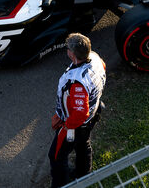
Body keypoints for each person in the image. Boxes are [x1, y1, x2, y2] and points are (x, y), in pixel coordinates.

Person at [49, 33, 106, 188]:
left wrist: (67, 125)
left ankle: (61, 185)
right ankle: (84, 175)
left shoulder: (77, 83)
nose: (67, 50)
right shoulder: (95, 59)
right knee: (83, 145)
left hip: (77, 124)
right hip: (94, 113)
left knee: (56, 156)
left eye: (68, 48)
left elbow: (81, 113)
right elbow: (103, 66)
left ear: (72, 54)